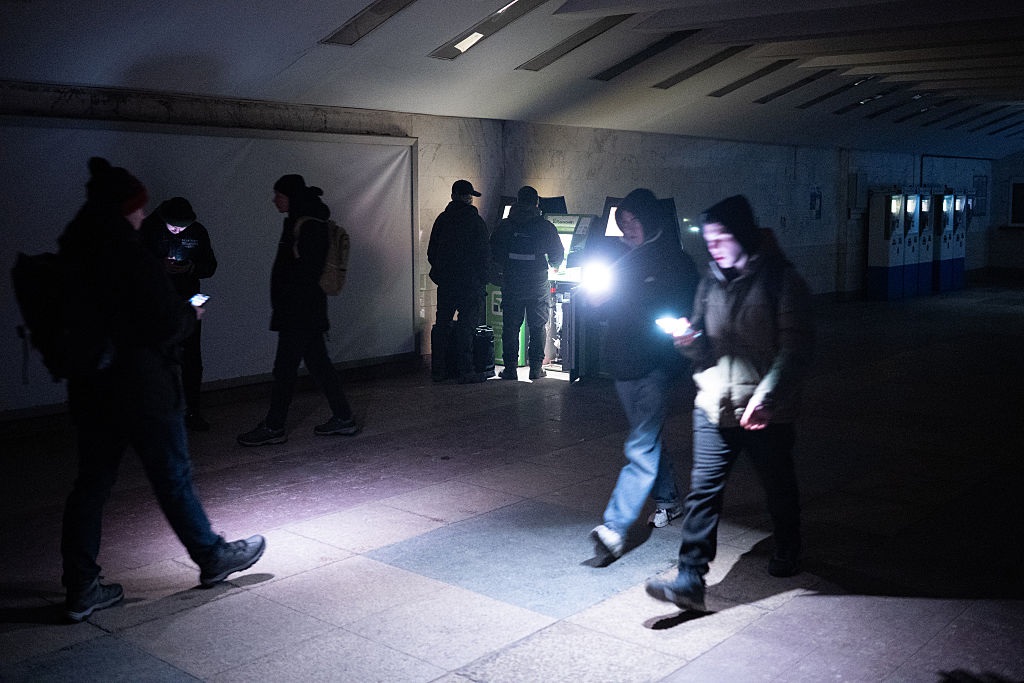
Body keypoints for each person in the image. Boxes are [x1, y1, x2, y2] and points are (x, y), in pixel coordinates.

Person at [58, 157, 265, 623]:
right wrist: (190, 314)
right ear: (123, 208)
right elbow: (164, 323)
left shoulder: (76, 248)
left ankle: (81, 587)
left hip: (92, 386)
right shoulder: (129, 252)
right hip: (142, 385)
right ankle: (212, 557)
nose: (140, 215)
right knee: (172, 476)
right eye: (136, 207)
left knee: (91, 484)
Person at [645, 194, 814, 612]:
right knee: (703, 493)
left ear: (743, 234)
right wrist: (688, 340)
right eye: (708, 241)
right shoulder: (709, 282)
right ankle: (690, 578)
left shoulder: (782, 280)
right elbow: (703, 343)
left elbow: (796, 349)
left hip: (764, 410)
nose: (714, 247)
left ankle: (788, 545)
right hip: (714, 403)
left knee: (777, 484)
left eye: (721, 238)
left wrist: (767, 397)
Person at [587, 189, 700, 559]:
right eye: (623, 221)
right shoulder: (622, 260)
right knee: (647, 438)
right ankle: (668, 499)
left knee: (641, 446)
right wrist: (599, 303)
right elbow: (609, 312)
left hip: (655, 368)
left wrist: (678, 343)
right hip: (623, 367)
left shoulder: (676, 261)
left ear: (650, 219)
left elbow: (684, 312)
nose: (628, 227)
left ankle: (615, 527)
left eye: (634, 219)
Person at [237, 174, 359, 446]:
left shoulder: (309, 225)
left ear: (292, 197)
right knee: (319, 366)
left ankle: (274, 426)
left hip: (299, 313)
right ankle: (344, 418)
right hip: (303, 312)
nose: (274, 200)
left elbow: (306, 272)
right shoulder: (302, 221)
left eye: (279, 195)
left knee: (285, 370)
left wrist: (288, 302)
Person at [139, 197, 218, 431]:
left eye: (182, 227)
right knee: (158, 358)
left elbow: (210, 266)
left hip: (189, 301)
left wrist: (191, 267)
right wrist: (158, 266)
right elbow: (133, 265)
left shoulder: (198, 232)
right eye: (173, 226)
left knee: (192, 358)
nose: (177, 231)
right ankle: (158, 415)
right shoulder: (148, 230)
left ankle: (193, 412)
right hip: (156, 303)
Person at [489, 185, 564, 380]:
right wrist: (554, 265)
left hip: (512, 280)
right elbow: (557, 255)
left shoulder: (505, 225)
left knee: (511, 326)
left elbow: (494, 251)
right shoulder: (545, 226)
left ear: (517, 201)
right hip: (537, 282)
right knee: (538, 325)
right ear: (537, 203)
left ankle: (510, 369)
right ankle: (536, 369)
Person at [426, 179, 490, 383]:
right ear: (468, 198)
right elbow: (484, 255)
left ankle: (438, 370)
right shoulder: (476, 222)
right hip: (470, 284)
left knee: (442, 326)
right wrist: (482, 280)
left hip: (446, 283)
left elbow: (431, 251)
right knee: (466, 327)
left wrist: (441, 272)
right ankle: (466, 370)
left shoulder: (442, 219)